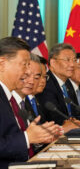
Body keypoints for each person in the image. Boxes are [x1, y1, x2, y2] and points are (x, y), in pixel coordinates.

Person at [0, 37, 56, 167]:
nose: (26, 72)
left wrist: (37, 137)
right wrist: (27, 138)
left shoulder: (9, 97)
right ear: (2, 63)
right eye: (24, 64)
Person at [36, 43, 80, 128]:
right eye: (67, 60)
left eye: (74, 60)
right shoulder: (46, 84)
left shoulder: (67, 84)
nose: (72, 65)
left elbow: (75, 114)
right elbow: (56, 120)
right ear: (53, 62)